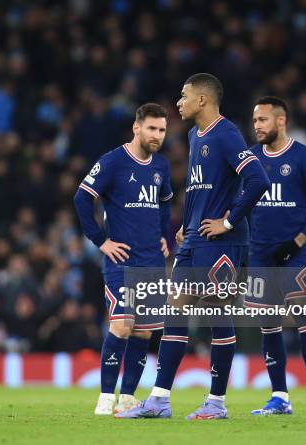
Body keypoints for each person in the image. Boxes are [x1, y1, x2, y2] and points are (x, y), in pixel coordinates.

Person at [117, 73, 270, 420]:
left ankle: (216, 402)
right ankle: (159, 399)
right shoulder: (193, 134)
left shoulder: (226, 133)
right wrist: (187, 224)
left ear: (203, 100)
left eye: (184, 96)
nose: (179, 102)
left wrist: (228, 221)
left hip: (223, 240)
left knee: (217, 314)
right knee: (176, 309)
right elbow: (200, 186)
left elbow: (258, 178)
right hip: (195, 238)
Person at [73, 103, 173, 415]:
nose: (157, 135)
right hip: (121, 260)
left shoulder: (161, 167)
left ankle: (128, 396)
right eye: (152, 128)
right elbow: (81, 198)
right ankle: (105, 396)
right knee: (122, 325)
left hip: (152, 260)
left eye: (162, 130)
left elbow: (165, 202)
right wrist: (101, 241)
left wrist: (162, 236)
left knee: (144, 331)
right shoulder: (113, 161)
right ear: (136, 127)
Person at [244, 96, 306, 416]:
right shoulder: (250, 159)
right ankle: (279, 396)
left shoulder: (303, 157)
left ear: (281, 121)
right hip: (260, 255)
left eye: (262, 120)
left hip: (294, 255)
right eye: (254, 121)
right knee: (269, 324)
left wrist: (296, 242)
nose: (257, 126)